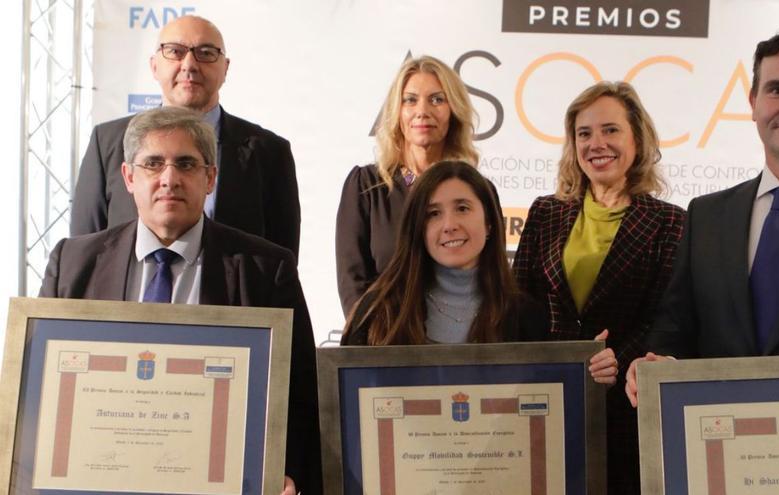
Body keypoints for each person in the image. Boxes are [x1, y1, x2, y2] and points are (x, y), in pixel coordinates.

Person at [41, 107, 320, 494]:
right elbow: (41, 392)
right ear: (128, 177)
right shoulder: (72, 265)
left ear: (210, 179)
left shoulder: (265, 269)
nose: (169, 179)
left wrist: (287, 473)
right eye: (153, 164)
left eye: (186, 164)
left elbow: (301, 394)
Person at [626, 24, 779, 407]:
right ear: (753, 103)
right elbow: (674, 330)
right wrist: (656, 368)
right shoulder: (706, 216)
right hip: (717, 448)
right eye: (777, 90)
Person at [513, 81, 685, 494]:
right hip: (547, 403)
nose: (597, 144)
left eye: (610, 130)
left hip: (626, 410)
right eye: (584, 133)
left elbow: (664, 316)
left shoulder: (671, 221)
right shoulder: (545, 212)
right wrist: (560, 363)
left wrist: (612, 362)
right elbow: (521, 303)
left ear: (637, 139)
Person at [341, 161, 617, 389]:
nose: (449, 225)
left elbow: (549, 411)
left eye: (462, 208)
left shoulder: (525, 317)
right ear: (418, 230)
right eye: (433, 214)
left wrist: (586, 370)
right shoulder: (379, 313)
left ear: (489, 223)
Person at [71, 15, 301, 258]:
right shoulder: (107, 142)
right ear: (154, 66)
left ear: (225, 68)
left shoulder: (269, 152)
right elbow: (85, 253)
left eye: (206, 52)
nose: (190, 64)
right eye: (175, 51)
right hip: (127, 295)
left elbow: (281, 265)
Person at [336, 55, 482, 316]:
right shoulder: (365, 186)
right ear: (397, 111)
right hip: (383, 345)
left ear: (454, 111)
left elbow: (488, 277)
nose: (422, 111)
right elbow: (352, 282)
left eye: (437, 99)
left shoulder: (477, 191)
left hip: (460, 343)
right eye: (410, 100)